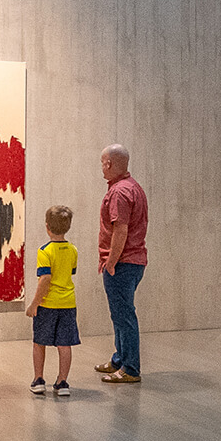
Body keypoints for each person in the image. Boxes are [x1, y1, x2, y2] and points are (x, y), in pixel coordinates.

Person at [95, 144, 148, 384]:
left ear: (110, 164)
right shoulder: (132, 187)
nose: (101, 167)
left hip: (123, 263)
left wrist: (111, 262)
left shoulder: (119, 192)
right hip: (134, 262)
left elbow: (121, 230)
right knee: (119, 313)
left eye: (103, 162)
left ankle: (130, 368)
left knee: (124, 315)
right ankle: (119, 359)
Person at [26, 205, 81, 397]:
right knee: (64, 344)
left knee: (39, 342)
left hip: (48, 304)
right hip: (67, 304)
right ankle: (62, 381)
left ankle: (39, 379)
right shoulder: (72, 249)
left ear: (47, 226)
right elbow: (70, 272)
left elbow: (46, 279)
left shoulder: (45, 251)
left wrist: (34, 304)